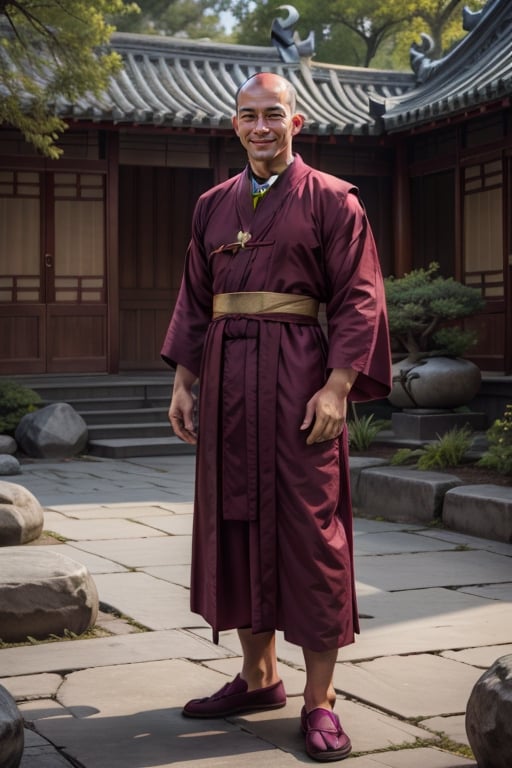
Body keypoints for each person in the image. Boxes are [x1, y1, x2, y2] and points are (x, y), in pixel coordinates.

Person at [161, 71, 391, 762]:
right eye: (247, 115)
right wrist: (184, 380)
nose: (260, 126)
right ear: (235, 125)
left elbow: (360, 296)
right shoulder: (212, 205)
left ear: (297, 123)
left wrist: (338, 386)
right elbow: (194, 298)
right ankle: (259, 678)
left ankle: (320, 703)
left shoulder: (332, 200)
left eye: (273, 114)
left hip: (298, 382)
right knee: (234, 520)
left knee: (313, 532)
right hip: (228, 380)